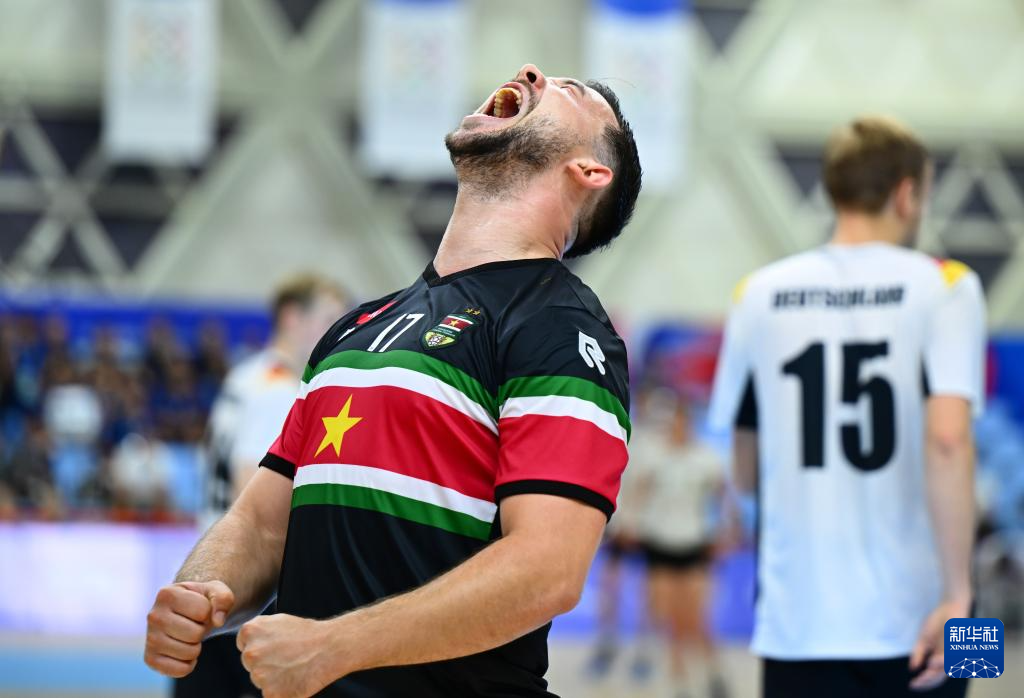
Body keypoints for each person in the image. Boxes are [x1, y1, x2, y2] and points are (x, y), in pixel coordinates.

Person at [145, 63, 642, 698]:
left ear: (589, 170)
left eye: (572, 92)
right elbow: (264, 523)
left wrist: (334, 647)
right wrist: (199, 593)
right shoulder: (356, 327)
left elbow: (548, 570)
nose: (530, 71)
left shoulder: (560, 328)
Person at [709, 116, 986, 698]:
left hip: (795, 624)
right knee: (975, 666)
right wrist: (961, 597)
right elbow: (949, 441)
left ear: (834, 190)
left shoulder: (757, 292)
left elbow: (745, 471)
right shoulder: (949, 285)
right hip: (928, 612)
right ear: (906, 194)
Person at [174, 274, 348, 698]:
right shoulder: (279, 391)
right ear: (292, 317)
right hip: (245, 584)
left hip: (212, 564)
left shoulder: (245, 375)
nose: (340, 331)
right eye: (329, 318)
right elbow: (252, 492)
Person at [632, 391, 729, 698]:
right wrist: (633, 525)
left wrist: (724, 532)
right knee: (669, 620)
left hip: (693, 542)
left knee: (697, 618)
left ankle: (713, 672)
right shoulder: (654, 457)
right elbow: (638, 494)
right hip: (660, 543)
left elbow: (722, 497)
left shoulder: (705, 458)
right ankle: (680, 682)